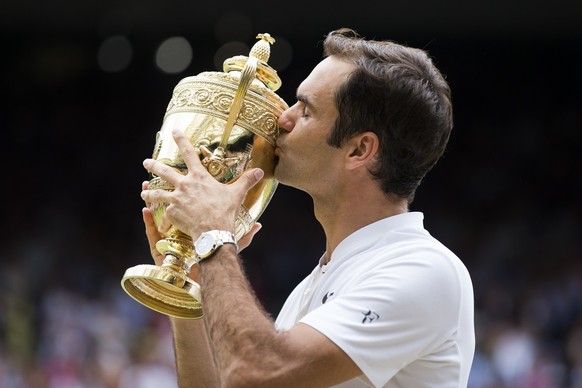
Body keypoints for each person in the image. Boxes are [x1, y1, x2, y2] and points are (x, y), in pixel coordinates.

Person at [140, 28, 475, 388]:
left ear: (359, 150)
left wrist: (215, 235)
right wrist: (192, 280)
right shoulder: (320, 280)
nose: (284, 117)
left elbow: (255, 374)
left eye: (306, 110)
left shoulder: (423, 270)